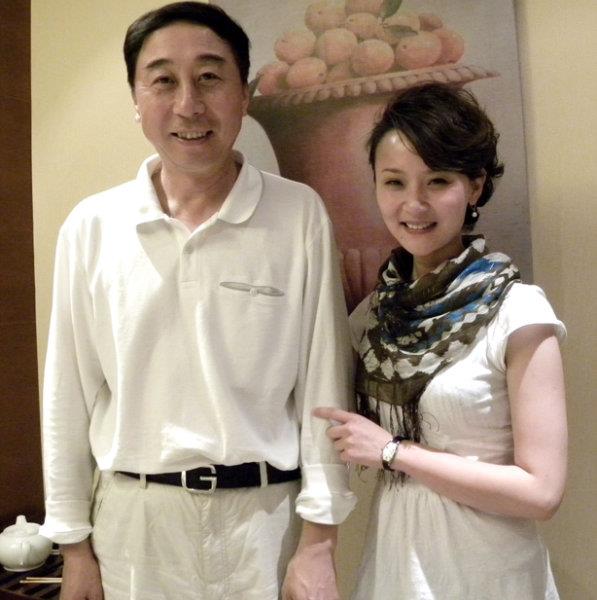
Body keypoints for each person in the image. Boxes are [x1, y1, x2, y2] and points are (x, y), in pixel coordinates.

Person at [40, 3, 356, 599]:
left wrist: (320, 542)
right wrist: (73, 546)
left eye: (210, 77)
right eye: (163, 80)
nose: (188, 104)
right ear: (136, 99)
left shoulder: (298, 215)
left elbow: (324, 385)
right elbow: (67, 396)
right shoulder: (92, 226)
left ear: (245, 94)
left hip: (265, 523)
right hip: (134, 527)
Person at [314, 83, 567, 599]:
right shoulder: (372, 319)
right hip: (395, 573)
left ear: (474, 186)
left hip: (490, 578)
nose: (414, 203)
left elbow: (541, 492)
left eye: (438, 180)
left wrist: (394, 452)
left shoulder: (518, 311)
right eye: (394, 182)